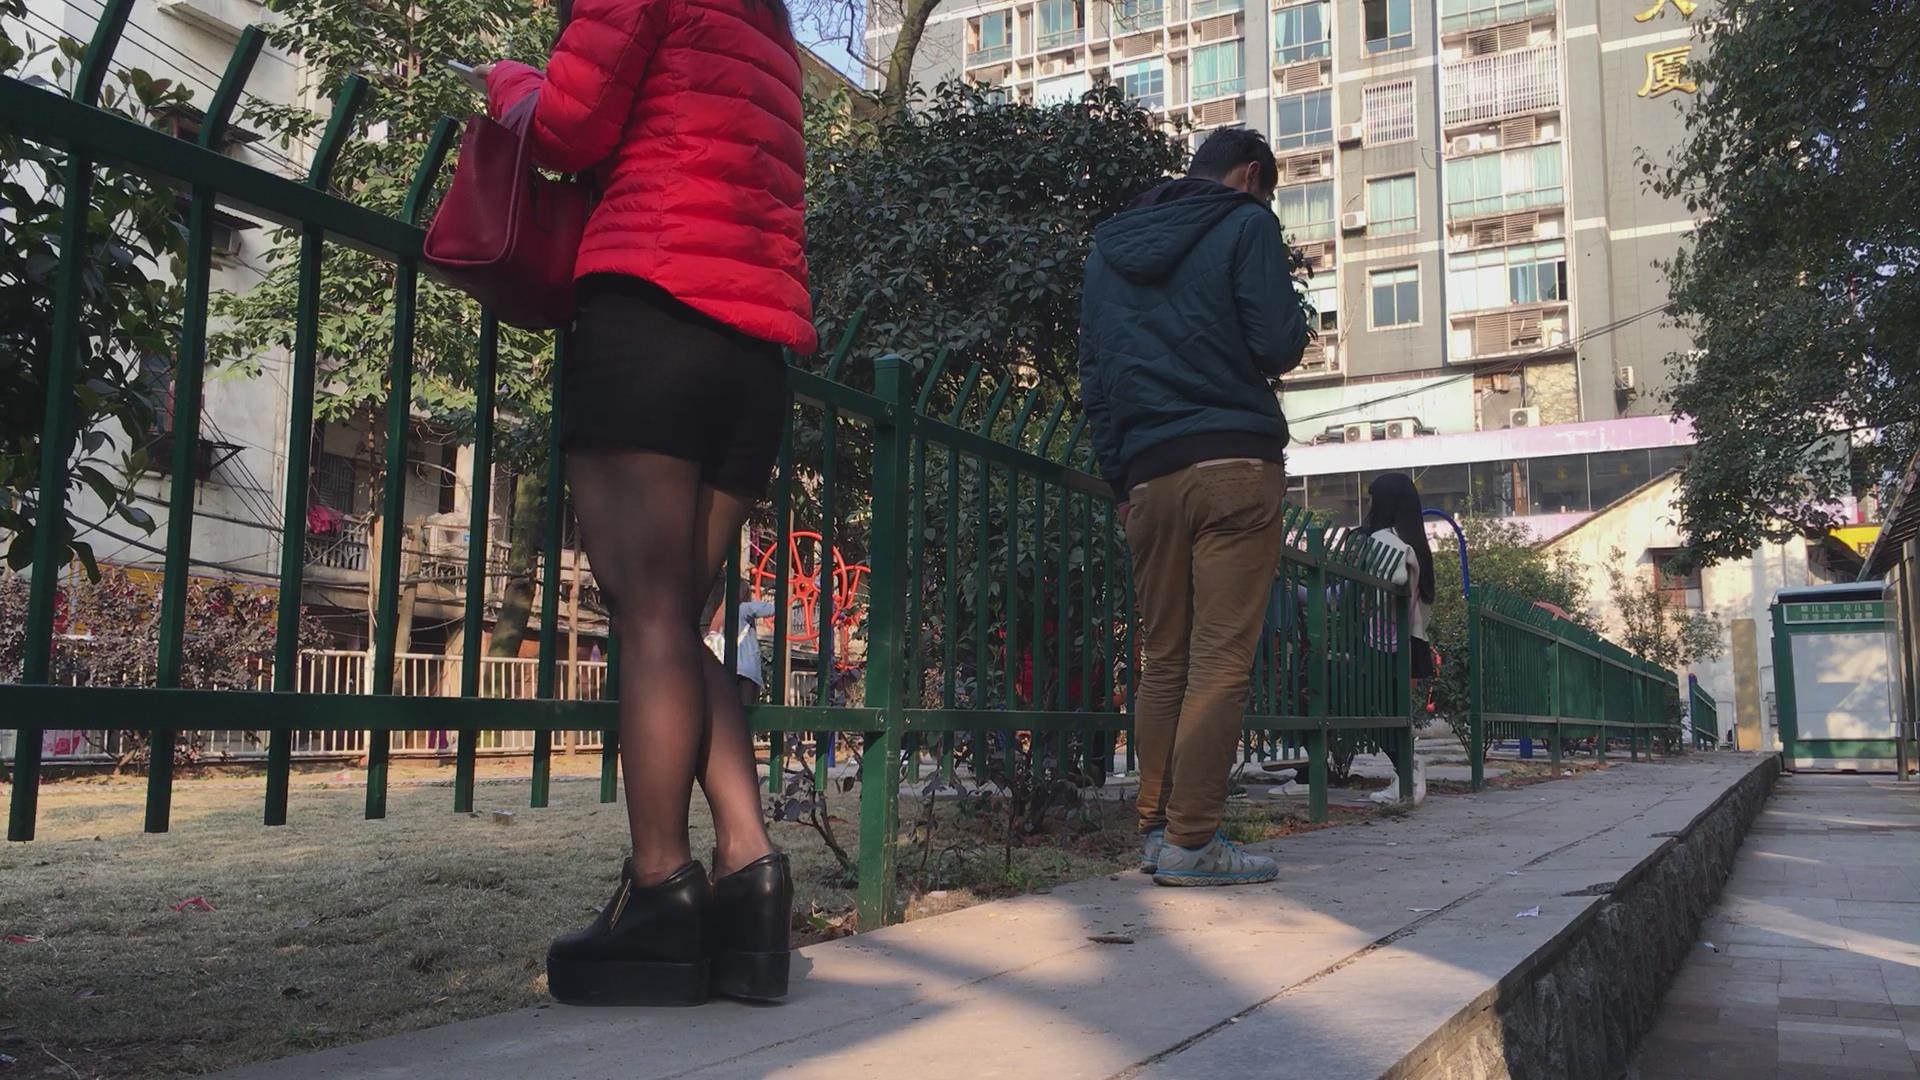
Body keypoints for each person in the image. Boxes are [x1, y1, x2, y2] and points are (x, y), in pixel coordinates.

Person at [478, 0, 812, 1007]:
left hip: (653, 312)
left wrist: (506, 84)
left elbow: (569, 127)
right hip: (752, 348)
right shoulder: (770, 24)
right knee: (671, 622)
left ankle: (661, 889)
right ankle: (750, 874)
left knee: (653, 617)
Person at [1078, 127, 1309, 887]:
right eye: (1266, 193)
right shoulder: (1246, 223)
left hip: (1148, 478)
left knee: (1163, 659)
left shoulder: (1108, 250)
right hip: (1233, 462)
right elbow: (1277, 344)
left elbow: (1095, 379)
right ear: (1250, 175)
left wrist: (1122, 483)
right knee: (1219, 659)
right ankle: (1193, 841)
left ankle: (1156, 831)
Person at [1364, 472, 1437, 798]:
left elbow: (1384, 591)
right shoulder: (1416, 544)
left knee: (1371, 710)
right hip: (1412, 641)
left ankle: (1407, 771)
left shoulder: (1383, 540)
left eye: (1372, 499)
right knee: (1393, 711)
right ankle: (1406, 772)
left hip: (1383, 642)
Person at [706, 583, 778, 707]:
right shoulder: (743, 609)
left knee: (731, 708)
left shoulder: (721, 614)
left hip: (726, 668)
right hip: (746, 670)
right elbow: (771, 609)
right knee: (747, 710)